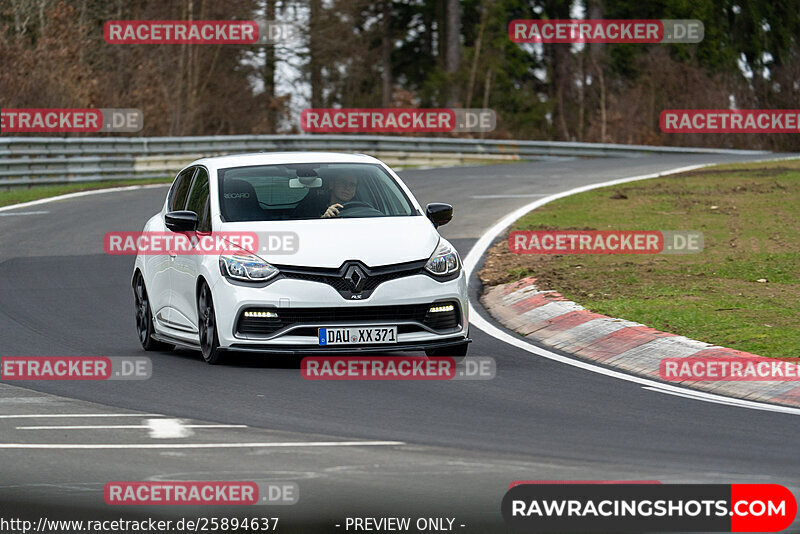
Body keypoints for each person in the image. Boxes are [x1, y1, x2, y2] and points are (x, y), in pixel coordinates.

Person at [292, 174, 359, 218]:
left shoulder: (362, 209)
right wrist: (324, 218)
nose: (347, 187)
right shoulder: (311, 208)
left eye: (352, 185)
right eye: (342, 182)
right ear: (331, 185)